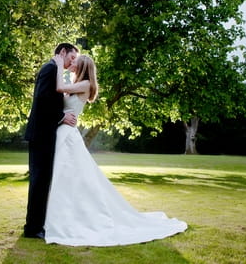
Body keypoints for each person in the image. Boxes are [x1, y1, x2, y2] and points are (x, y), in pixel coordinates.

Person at [43, 53, 188, 246]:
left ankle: (68, 220)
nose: (73, 62)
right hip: (64, 132)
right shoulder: (76, 83)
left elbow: (59, 87)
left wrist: (60, 65)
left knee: (70, 177)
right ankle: (56, 216)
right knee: (65, 178)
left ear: (84, 66)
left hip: (69, 136)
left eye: (75, 61)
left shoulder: (86, 84)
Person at [23, 43, 79, 239]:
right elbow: (42, 98)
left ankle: (37, 225)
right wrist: (61, 117)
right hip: (41, 135)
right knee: (39, 182)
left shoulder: (55, 70)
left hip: (44, 134)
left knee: (42, 182)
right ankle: (32, 228)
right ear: (62, 52)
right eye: (71, 57)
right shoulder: (51, 68)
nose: (72, 61)